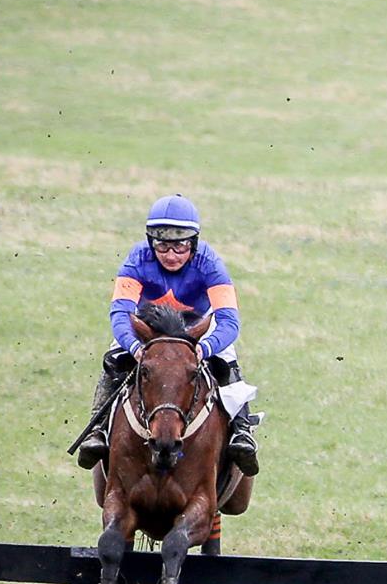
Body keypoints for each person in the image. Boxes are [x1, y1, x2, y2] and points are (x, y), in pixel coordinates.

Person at [75, 195, 259, 475]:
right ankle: (97, 430)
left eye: (180, 246)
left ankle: (242, 432)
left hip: (198, 326)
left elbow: (229, 322)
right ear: (151, 241)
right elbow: (120, 313)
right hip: (148, 325)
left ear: (193, 243)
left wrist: (206, 347)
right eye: (162, 245)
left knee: (227, 361)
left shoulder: (211, 263)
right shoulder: (136, 259)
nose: (171, 255)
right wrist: (134, 346)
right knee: (114, 357)